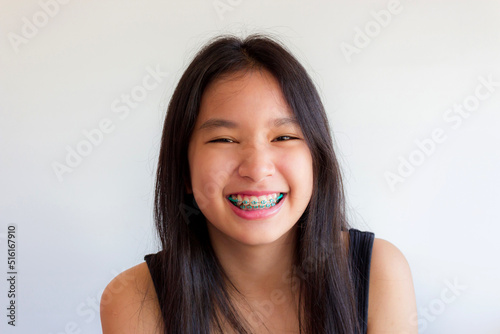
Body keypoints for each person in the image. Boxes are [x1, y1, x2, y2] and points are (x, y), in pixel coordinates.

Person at [100, 34, 417, 334]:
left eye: (284, 137)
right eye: (224, 139)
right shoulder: (133, 298)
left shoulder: (378, 272)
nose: (257, 169)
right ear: (184, 170)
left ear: (316, 163)